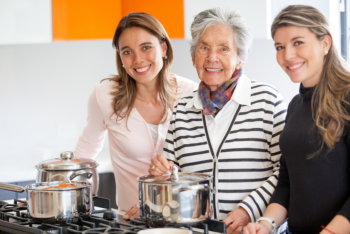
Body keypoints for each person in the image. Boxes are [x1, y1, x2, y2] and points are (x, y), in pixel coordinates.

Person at [149, 8, 287, 233]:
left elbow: (286, 172)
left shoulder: (267, 101)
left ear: (240, 59)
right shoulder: (182, 109)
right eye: (204, 48)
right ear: (194, 57)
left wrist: (248, 211)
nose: (212, 57)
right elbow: (171, 177)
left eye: (224, 48)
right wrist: (161, 175)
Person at [74, 12, 197, 220]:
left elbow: (203, 164)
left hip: (184, 220)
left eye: (146, 47)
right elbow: (84, 158)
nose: (138, 59)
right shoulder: (105, 95)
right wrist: (72, 199)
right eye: (127, 52)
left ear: (163, 48)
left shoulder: (191, 94)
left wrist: (169, 181)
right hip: (130, 222)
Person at [243, 5, 350, 234]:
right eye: (280, 47)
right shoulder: (295, 106)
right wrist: (266, 224)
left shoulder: (348, 98)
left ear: (325, 43)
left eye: (298, 42)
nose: (287, 55)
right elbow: (287, 181)